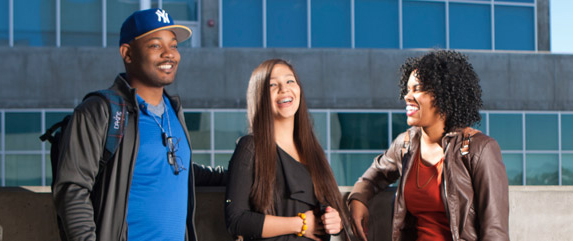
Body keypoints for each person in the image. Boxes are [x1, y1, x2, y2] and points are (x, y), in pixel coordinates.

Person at [52, 8, 226, 241]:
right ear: (128, 53)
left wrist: (238, 173)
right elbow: (72, 189)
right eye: (156, 45)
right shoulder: (100, 111)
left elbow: (173, 169)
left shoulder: (173, 112)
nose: (169, 54)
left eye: (173, 45)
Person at [348, 50, 509, 241]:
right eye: (407, 89)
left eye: (418, 89)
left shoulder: (479, 149)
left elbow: (495, 232)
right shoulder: (406, 144)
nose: (408, 96)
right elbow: (373, 177)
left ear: (444, 96)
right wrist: (357, 199)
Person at [225, 59, 348, 241]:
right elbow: (236, 220)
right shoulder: (250, 147)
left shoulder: (313, 151)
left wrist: (335, 222)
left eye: (290, 81)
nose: (284, 89)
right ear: (259, 96)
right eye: (272, 85)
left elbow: (327, 211)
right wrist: (300, 224)